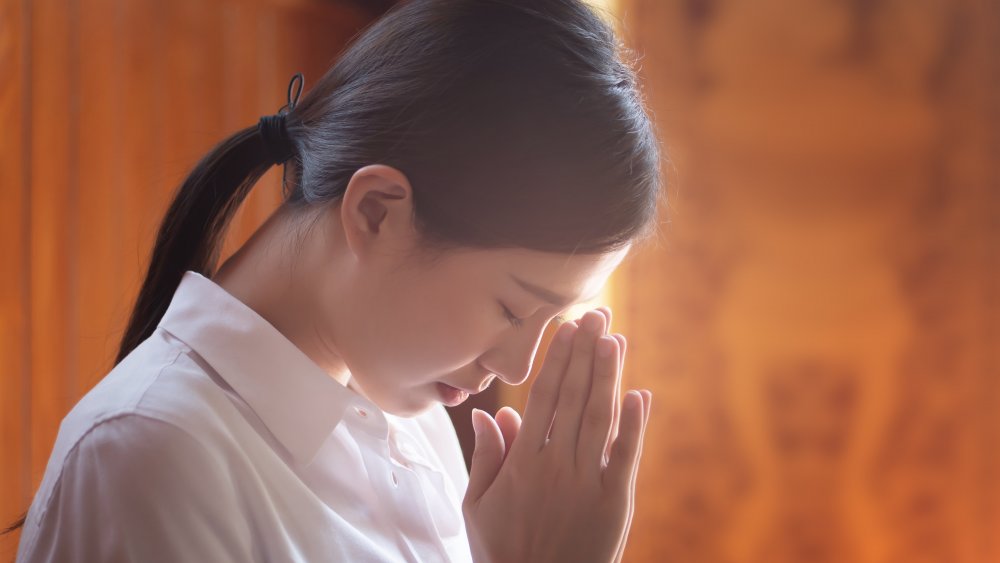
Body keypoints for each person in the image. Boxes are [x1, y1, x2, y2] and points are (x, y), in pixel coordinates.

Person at [8, 0, 662, 560]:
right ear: (376, 211)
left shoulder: (412, 427)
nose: (517, 366)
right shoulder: (149, 454)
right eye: (514, 308)